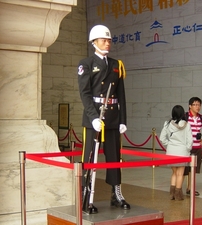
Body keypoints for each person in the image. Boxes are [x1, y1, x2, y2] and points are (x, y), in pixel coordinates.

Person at [77, 24, 130, 213]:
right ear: (94, 42)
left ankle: (116, 193)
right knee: (90, 157)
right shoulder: (87, 64)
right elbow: (84, 94)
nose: (107, 43)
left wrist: (123, 120)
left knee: (115, 157)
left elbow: (121, 95)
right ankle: (85, 195)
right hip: (94, 118)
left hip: (113, 118)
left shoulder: (116, 65)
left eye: (109, 40)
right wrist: (92, 117)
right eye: (103, 40)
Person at [159, 105, 193, 201]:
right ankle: (178, 195)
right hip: (182, 152)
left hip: (171, 151)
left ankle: (171, 194)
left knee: (174, 173)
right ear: (183, 113)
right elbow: (190, 140)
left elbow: (162, 138)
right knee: (180, 174)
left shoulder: (167, 124)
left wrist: (169, 144)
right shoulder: (187, 125)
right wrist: (187, 149)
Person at [184, 97, 202, 196]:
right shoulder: (185, 117)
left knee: (193, 170)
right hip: (187, 148)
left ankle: (190, 189)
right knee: (183, 169)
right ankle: (177, 189)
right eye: (195, 104)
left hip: (197, 148)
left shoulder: (201, 117)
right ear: (190, 106)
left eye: (199, 105)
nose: (197, 107)